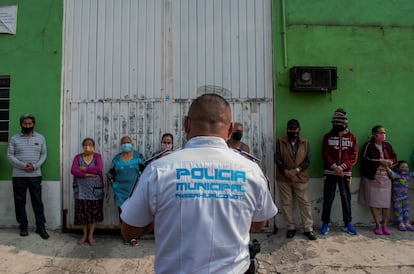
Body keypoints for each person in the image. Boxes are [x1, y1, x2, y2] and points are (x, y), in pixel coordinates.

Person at [120, 93, 278, 273]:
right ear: (230, 129)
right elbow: (259, 222)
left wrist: (162, 217)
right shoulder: (251, 170)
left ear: (186, 123)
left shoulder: (158, 170)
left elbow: (129, 231)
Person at [7, 114, 49, 239]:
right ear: (21, 125)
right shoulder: (14, 138)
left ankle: (40, 227)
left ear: (33, 124)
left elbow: (44, 155)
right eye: (25, 123)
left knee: (37, 201)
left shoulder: (40, 138)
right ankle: (23, 226)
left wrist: (35, 166)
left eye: (30, 123)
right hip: (18, 176)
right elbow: (9, 156)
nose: (27, 126)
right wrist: (23, 165)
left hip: (35, 175)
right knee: (20, 202)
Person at [275, 119, 316, 240]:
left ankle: (308, 229)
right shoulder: (280, 141)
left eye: (295, 129)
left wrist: (296, 171)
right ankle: (291, 227)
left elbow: (308, 160)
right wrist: (286, 171)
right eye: (291, 129)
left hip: (300, 177)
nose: (293, 131)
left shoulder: (305, 142)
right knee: (286, 203)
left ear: (299, 130)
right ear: (287, 129)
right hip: (284, 177)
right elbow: (277, 158)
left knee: (304, 203)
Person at [320, 108, 358, 235]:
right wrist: (335, 167)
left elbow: (354, 155)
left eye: (339, 123)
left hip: (345, 173)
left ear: (345, 123)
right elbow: (325, 154)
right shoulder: (327, 137)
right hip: (330, 172)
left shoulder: (352, 138)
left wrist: (342, 167)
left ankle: (348, 223)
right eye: (334, 122)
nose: (336, 125)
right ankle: (325, 223)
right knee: (328, 198)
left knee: (346, 198)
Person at [358, 125, 397, 235]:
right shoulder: (368, 146)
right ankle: (377, 225)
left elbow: (395, 159)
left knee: (385, 203)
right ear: (375, 135)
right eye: (381, 133)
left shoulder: (388, 146)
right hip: (373, 177)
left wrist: (390, 162)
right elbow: (365, 159)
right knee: (373, 202)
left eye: (384, 132)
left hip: (386, 177)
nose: (383, 135)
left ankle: (385, 224)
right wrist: (379, 161)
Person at [107, 136, 145, 246]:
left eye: (128, 142)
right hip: (120, 192)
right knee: (123, 215)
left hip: (135, 191)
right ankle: (125, 236)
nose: (126, 144)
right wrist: (114, 184)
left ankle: (133, 237)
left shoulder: (138, 156)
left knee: (134, 214)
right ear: (121, 145)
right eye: (124, 142)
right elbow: (110, 174)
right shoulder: (117, 158)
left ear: (132, 143)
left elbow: (145, 171)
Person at [71, 137, 104, 246]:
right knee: (83, 214)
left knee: (93, 213)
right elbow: (73, 170)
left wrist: (84, 169)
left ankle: (91, 235)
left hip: (94, 190)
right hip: (81, 190)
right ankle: (84, 235)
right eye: (85, 144)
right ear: (82, 146)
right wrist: (88, 174)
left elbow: (99, 169)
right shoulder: (77, 157)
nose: (87, 146)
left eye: (90, 144)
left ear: (93, 146)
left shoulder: (97, 156)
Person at [387, 160, 414, 231]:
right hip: (397, 198)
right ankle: (401, 224)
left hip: (405, 198)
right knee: (398, 211)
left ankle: (407, 223)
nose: (405, 168)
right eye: (402, 167)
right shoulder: (396, 176)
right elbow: (390, 172)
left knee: (406, 210)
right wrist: (386, 166)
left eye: (407, 167)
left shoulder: (409, 175)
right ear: (398, 168)